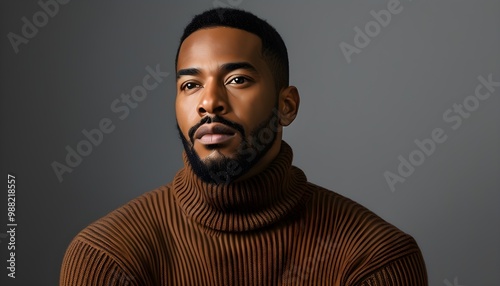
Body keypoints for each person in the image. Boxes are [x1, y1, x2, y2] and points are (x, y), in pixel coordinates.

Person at [60, 8, 427, 285]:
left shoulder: (375, 258)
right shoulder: (108, 257)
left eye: (237, 79)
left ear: (287, 106)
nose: (210, 102)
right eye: (190, 85)